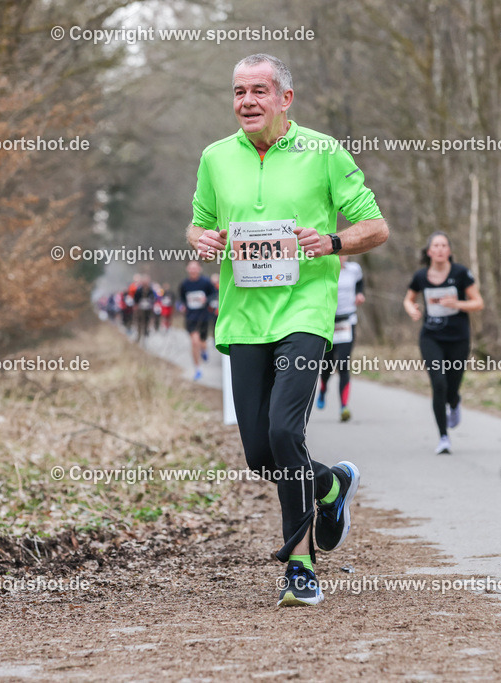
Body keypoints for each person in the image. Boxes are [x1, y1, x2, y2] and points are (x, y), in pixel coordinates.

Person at [186, 53, 388, 606]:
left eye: (258, 90)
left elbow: (376, 225)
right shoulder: (215, 158)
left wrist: (335, 242)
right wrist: (201, 241)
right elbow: (200, 223)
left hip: (305, 311)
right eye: (238, 92)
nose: (246, 101)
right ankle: (329, 484)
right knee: (259, 453)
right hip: (244, 317)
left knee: (283, 432)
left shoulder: (323, 151)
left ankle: (300, 568)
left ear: (284, 99)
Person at [403, 232, 484, 454]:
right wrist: (412, 309)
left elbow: (478, 303)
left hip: (458, 338)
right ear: (429, 252)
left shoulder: (460, 274)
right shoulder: (421, 276)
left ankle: (455, 402)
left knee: (451, 386)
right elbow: (409, 299)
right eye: (435, 246)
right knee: (438, 384)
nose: (439, 249)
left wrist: (457, 303)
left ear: (449, 251)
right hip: (431, 337)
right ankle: (443, 437)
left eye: (443, 245)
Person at [317, 256, 364, 422]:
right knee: (328, 365)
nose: (341, 257)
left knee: (343, 364)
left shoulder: (354, 269)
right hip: (329, 322)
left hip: (347, 322)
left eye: (344, 253)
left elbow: (360, 282)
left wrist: (359, 294)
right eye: (337, 253)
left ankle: (344, 406)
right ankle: (323, 389)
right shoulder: (324, 268)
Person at [178, 260, 216, 381]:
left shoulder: (206, 283)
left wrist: (206, 299)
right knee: (194, 342)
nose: (193, 270)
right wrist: (181, 306)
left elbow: (215, 295)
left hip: (203, 317)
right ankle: (197, 369)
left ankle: (204, 349)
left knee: (202, 342)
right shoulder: (184, 284)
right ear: (187, 269)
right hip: (191, 318)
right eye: (191, 268)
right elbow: (180, 300)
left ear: (200, 269)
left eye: (195, 268)